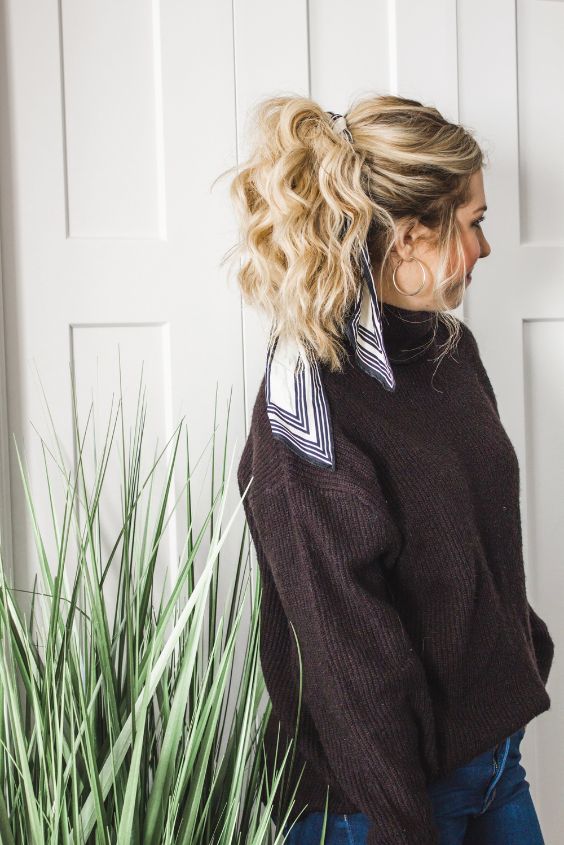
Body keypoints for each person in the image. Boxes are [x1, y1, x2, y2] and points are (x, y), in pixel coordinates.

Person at [227, 93, 555, 845]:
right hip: (378, 805)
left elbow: (477, 536)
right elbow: (345, 652)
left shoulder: (448, 353)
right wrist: (402, 824)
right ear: (410, 237)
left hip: (492, 760)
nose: (486, 246)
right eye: (474, 222)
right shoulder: (307, 406)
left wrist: (518, 653)